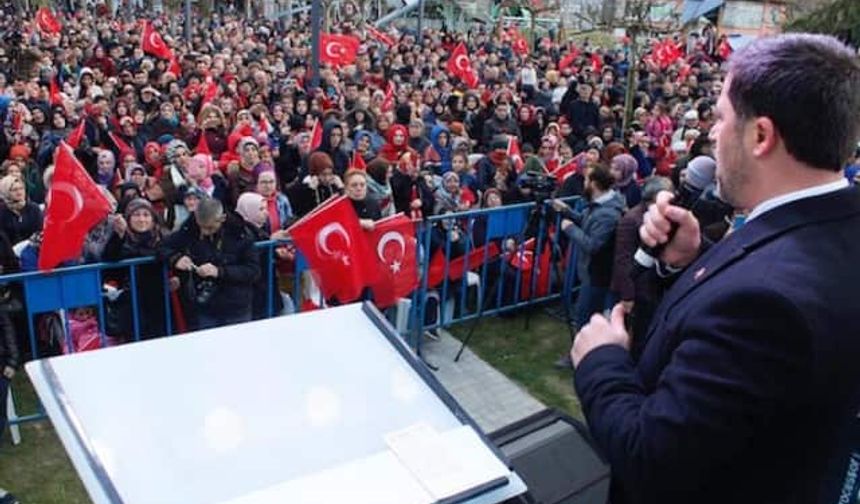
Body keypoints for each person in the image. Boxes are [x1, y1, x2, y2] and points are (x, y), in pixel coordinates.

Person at [571, 34, 860, 504]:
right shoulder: (834, 227)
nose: (710, 133)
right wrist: (692, 259)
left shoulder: (767, 306)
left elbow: (653, 460)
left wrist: (602, 360)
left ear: (761, 136)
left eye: (722, 117)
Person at [551, 166, 625, 368]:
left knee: (584, 316)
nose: (583, 184)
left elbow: (593, 244)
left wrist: (570, 229)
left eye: (586, 181)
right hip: (594, 273)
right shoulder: (602, 205)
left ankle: (579, 357)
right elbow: (588, 221)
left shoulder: (608, 214)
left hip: (597, 275)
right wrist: (567, 212)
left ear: (593, 184)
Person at [160, 198, 261, 330]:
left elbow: (253, 271)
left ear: (222, 218)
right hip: (204, 307)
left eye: (209, 228)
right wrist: (176, 259)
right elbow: (162, 247)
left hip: (236, 308)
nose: (204, 232)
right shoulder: (189, 229)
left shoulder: (241, 234)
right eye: (200, 226)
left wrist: (219, 271)